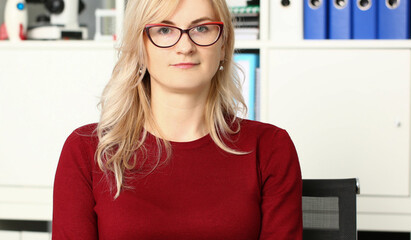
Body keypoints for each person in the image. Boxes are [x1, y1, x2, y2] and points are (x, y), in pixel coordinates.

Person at [52, 0, 302, 239]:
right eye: (164, 30)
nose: (185, 47)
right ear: (140, 47)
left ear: (224, 45)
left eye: (202, 28)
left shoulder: (270, 147)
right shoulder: (87, 150)